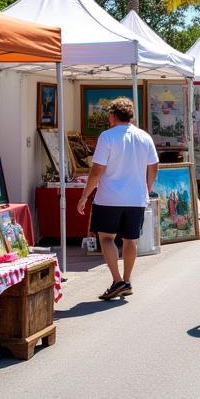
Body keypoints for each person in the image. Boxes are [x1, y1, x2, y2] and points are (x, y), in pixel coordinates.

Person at [77, 97, 159, 302]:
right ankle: (127, 280)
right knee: (131, 240)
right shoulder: (144, 137)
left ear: (113, 116)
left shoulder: (107, 137)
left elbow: (97, 171)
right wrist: (146, 189)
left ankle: (117, 280)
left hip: (109, 198)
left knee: (106, 238)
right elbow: (154, 167)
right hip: (136, 198)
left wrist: (85, 196)